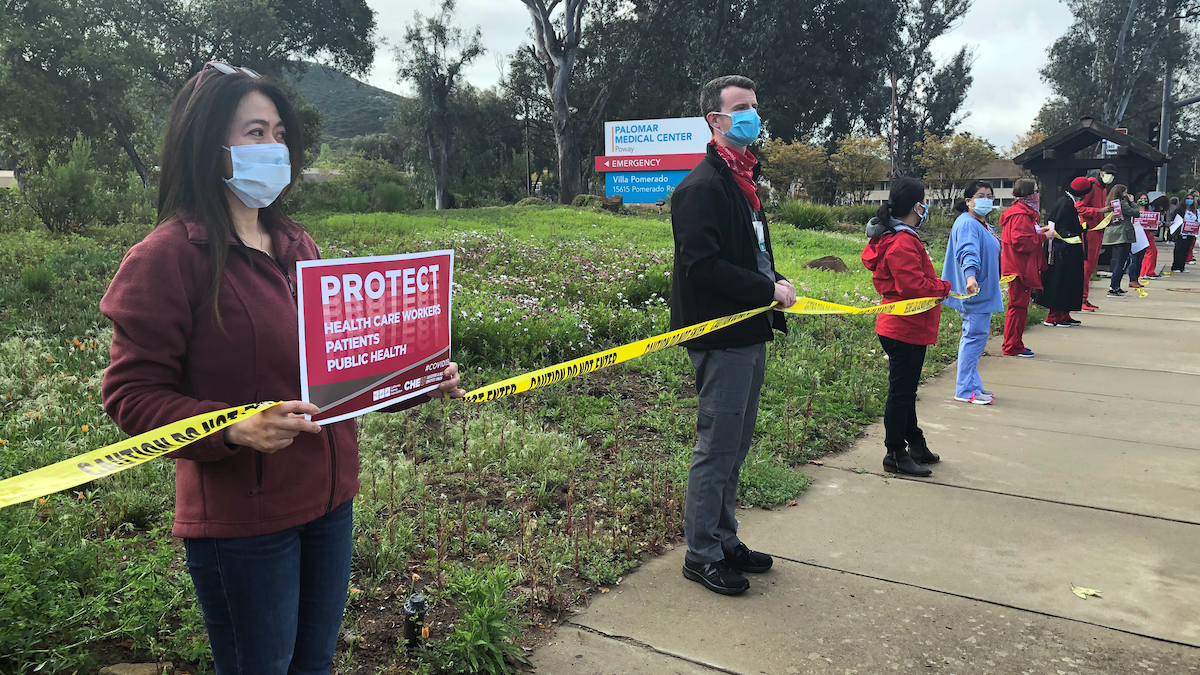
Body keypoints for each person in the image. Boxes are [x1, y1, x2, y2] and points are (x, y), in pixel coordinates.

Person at [100, 62, 464, 674]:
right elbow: (131, 393)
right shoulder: (165, 258)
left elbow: (338, 367)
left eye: (278, 134)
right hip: (243, 524)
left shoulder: (297, 244)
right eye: (254, 133)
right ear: (207, 145)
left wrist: (415, 377)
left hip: (328, 503)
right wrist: (232, 427)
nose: (274, 148)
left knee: (314, 665)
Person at [669, 75, 795, 596]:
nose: (752, 118)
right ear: (714, 120)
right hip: (720, 335)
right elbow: (701, 267)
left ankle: (724, 538)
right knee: (716, 445)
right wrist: (765, 289)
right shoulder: (700, 188)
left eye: (755, 107)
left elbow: (752, 251)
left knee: (737, 443)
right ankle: (701, 553)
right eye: (741, 108)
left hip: (749, 328)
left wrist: (775, 279)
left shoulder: (744, 182)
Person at [862, 177, 951, 477]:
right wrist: (942, 287)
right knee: (901, 393)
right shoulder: (902, 241)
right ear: (916, 206)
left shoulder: (894, 236)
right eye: (924, 201)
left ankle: (915, 443)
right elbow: (914, 287)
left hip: (902, 325)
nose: (926, 207)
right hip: (904, 328)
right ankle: (895, 452)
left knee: (907, 390)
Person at [941, 181, 1004, 405]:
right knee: (974, 338)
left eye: (989, 195)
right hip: (975, 290)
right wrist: (970, 276)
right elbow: (968, 251)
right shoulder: (968, 224)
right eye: (980, 195)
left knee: (976, 338)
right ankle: (965, 390)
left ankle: (973, 384)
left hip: (982, 289)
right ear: (968, 201)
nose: (986, 199)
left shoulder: (982, 224)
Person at [999, 178, 1051, 357]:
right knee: (1017, 308)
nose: (1038, 194)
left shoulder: (1022, 213)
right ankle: (1012, 345)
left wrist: (1038, 233)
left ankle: (1014, 343)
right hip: (1019, 269)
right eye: (1036, 191)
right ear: (1029, 194)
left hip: (1019, 267)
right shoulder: (1021, 215)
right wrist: (1043, 237)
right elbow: (1021, 242)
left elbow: (1023, 237)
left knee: (1019, 307)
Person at [1035, 178, 1089, 326]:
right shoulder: (1067, 204)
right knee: (1061, 281)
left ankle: (1065, 313)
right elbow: (1063, 229)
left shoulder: (1065, 201)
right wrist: (1079, 229)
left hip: (1066, 249)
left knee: (1069, 282)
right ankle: (1054, 316)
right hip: (1063, 251)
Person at [1075, 164, 1116, 311]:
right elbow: (1079, 207)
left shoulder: (1103, 188)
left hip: (1098, 230)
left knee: (1091, 266)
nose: (1110, 176)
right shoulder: (1091, 185)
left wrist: (1106, 217)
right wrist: (1099, 210)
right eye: (1108, 173)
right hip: (1089, 231)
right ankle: (1081, 299)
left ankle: (1084, 298)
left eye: (1113, 174)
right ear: (1102, 173)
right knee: (1087, 266)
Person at [1102, 184, 1139, 298]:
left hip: (1113, 234)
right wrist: (1132, 202)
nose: (1127, 195)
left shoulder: (1109, 203)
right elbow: (1136, 213)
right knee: (1122, 261)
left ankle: (1116, 286)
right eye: (1125, 192)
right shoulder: (1122, 203)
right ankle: (1113, 288)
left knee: (1123, 261)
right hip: (1123, 235)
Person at [1138, 192, 1164, 278]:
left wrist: (1158, 223)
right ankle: (1144, 272)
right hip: (1137, 234)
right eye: (1141, 199)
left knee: (1152, 252)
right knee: (1139, 255)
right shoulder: (1133, 211)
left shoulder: (1149, 212)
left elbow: (1154, 224)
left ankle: (1147, 272)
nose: (1143, 201)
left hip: (1148, 235)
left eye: (1145, 199)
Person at [1171, 192, 1199, 273]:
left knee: (1186, 249)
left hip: (1191, 233)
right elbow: (1174, 219)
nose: (1190, 200)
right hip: (1181, 233)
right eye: (1188, 199)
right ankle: (1176, 266)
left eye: (1191, 199)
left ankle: (1182, 267)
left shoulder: (1194, 211)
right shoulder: (1180, 209)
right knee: (1179, 249)